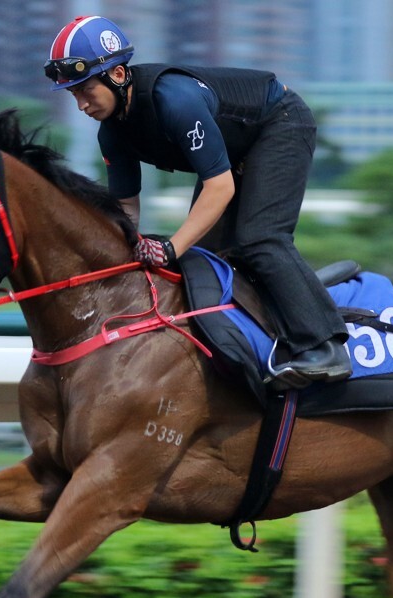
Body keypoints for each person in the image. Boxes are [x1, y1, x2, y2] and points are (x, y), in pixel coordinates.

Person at [44, 15, 351, 388]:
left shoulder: (174, 100)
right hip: (234, 149)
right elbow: (125, 210)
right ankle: (264, 337)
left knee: (259, 239)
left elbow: (219, 188)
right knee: (205, 262)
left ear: (118, 76)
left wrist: (169, 246)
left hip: (279, 124)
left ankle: (325, 347)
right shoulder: (112, 133)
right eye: (73, 94)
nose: (81, 105)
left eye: (85, 90)